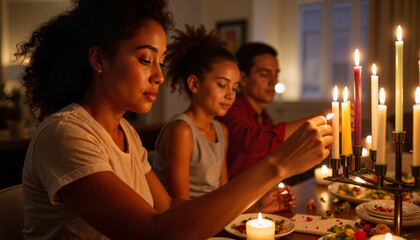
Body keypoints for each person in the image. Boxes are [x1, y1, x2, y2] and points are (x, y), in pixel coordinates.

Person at [16, 0, 333, 239]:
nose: (158, 76)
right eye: (145, 59)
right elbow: (154, 231)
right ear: (99, 59)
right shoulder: (66, 134)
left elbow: (167, 207)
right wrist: (277, 165)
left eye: (161, 62)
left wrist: (254, 205)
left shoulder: (125, 131)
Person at [151, 25, 295, 204]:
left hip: (211, 220)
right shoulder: (181, 131)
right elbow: (179, 210)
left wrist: (259, 206)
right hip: (186, 226)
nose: (230, 95)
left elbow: (223, 197)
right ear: (194, 84)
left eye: (234, 88)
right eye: (221, 85)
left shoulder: (221, 130)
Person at [218, 42, 331, 180]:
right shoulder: (229, 109)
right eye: (264, 74)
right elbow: (254, 141)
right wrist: (322, 118)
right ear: (242, 78)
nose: (274, 81)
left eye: (276, 74)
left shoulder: (264, 116)